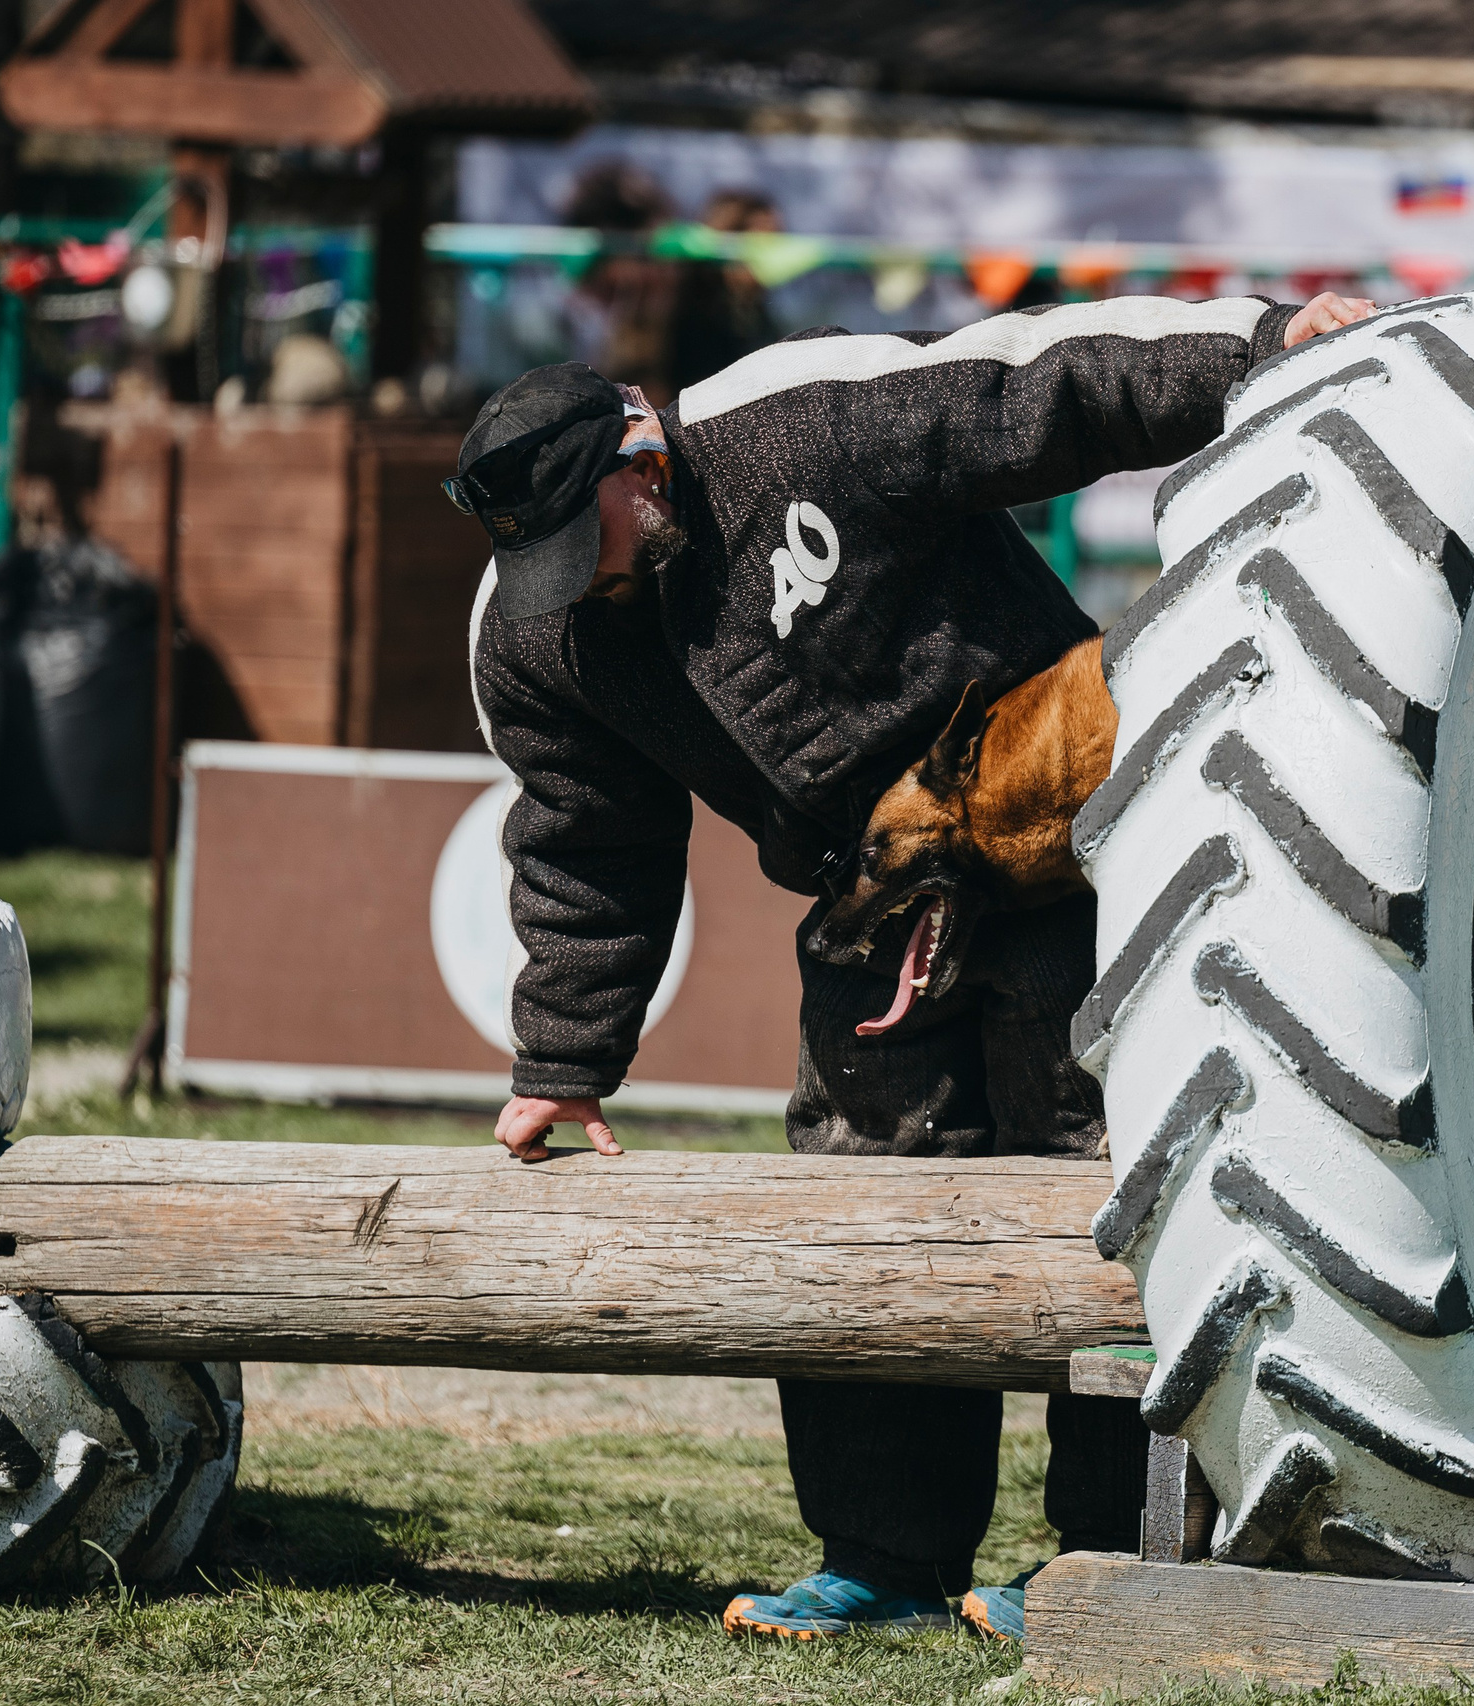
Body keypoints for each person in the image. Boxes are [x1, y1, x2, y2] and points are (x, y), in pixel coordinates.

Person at [452, 286, 1377, 1641]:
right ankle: (881, 1557)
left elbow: (1036, 382)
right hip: (867, 898)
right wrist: (564, 1060)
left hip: (1067, 837)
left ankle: (1116, 1548)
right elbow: (588, 846)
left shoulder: (802, 422)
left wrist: (1257, 341)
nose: (567, 586)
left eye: (578, 545)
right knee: (859, 1190)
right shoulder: (535, 635)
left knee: (1108, 1170)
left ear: (639, 460)